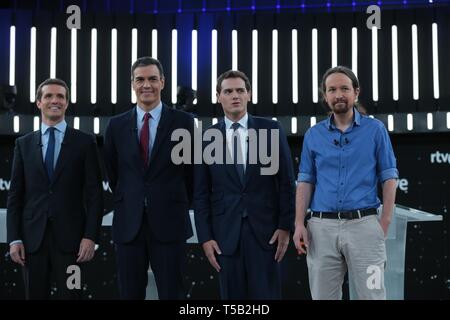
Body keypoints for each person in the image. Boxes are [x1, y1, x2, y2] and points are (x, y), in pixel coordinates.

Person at [293, 66, 398, 300]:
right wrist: (299, 223)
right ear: (325, 96)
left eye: (344, 88)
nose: (338, 94)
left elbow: (389, 176)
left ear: (356, 92)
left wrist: (384, 221)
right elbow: (305, 181)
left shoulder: (375, 130)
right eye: (332, 89)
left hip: (366, 226)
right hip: (321, 229)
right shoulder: (313, 135)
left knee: (373, 296)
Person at [194, 70, 295, 299]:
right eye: (228, 91)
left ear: (249, 94)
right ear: (219, 96)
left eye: (240, 90)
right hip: (224, 236)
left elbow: (287, 183)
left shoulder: (270, 129)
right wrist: (205, 237)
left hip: (266, 233)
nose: (235, 96)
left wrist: (285, 226)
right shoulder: (206, 138)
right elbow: (200, 193)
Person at [104, 57, 194, 300]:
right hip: (128, 224)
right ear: (132, 84)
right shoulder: (115, 126)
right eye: (140, 79)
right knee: (129, 294)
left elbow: (191, 174)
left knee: (173, 293)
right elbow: (114, 174)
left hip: (170, 223)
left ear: (162, 82)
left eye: (153, 79)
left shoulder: (184, 123)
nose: (147, 85)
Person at [7, 78, 104, 299]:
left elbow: (95, 195)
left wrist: (90, 237)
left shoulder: (85, 142)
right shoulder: (24, 144)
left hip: (73, 246)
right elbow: (15, 197)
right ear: (39, 102)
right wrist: (14, 239)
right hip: (32, 243)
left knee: (72, 296)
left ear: (67, 103)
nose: (55, 100)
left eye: (60, 96)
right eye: (49, 96)